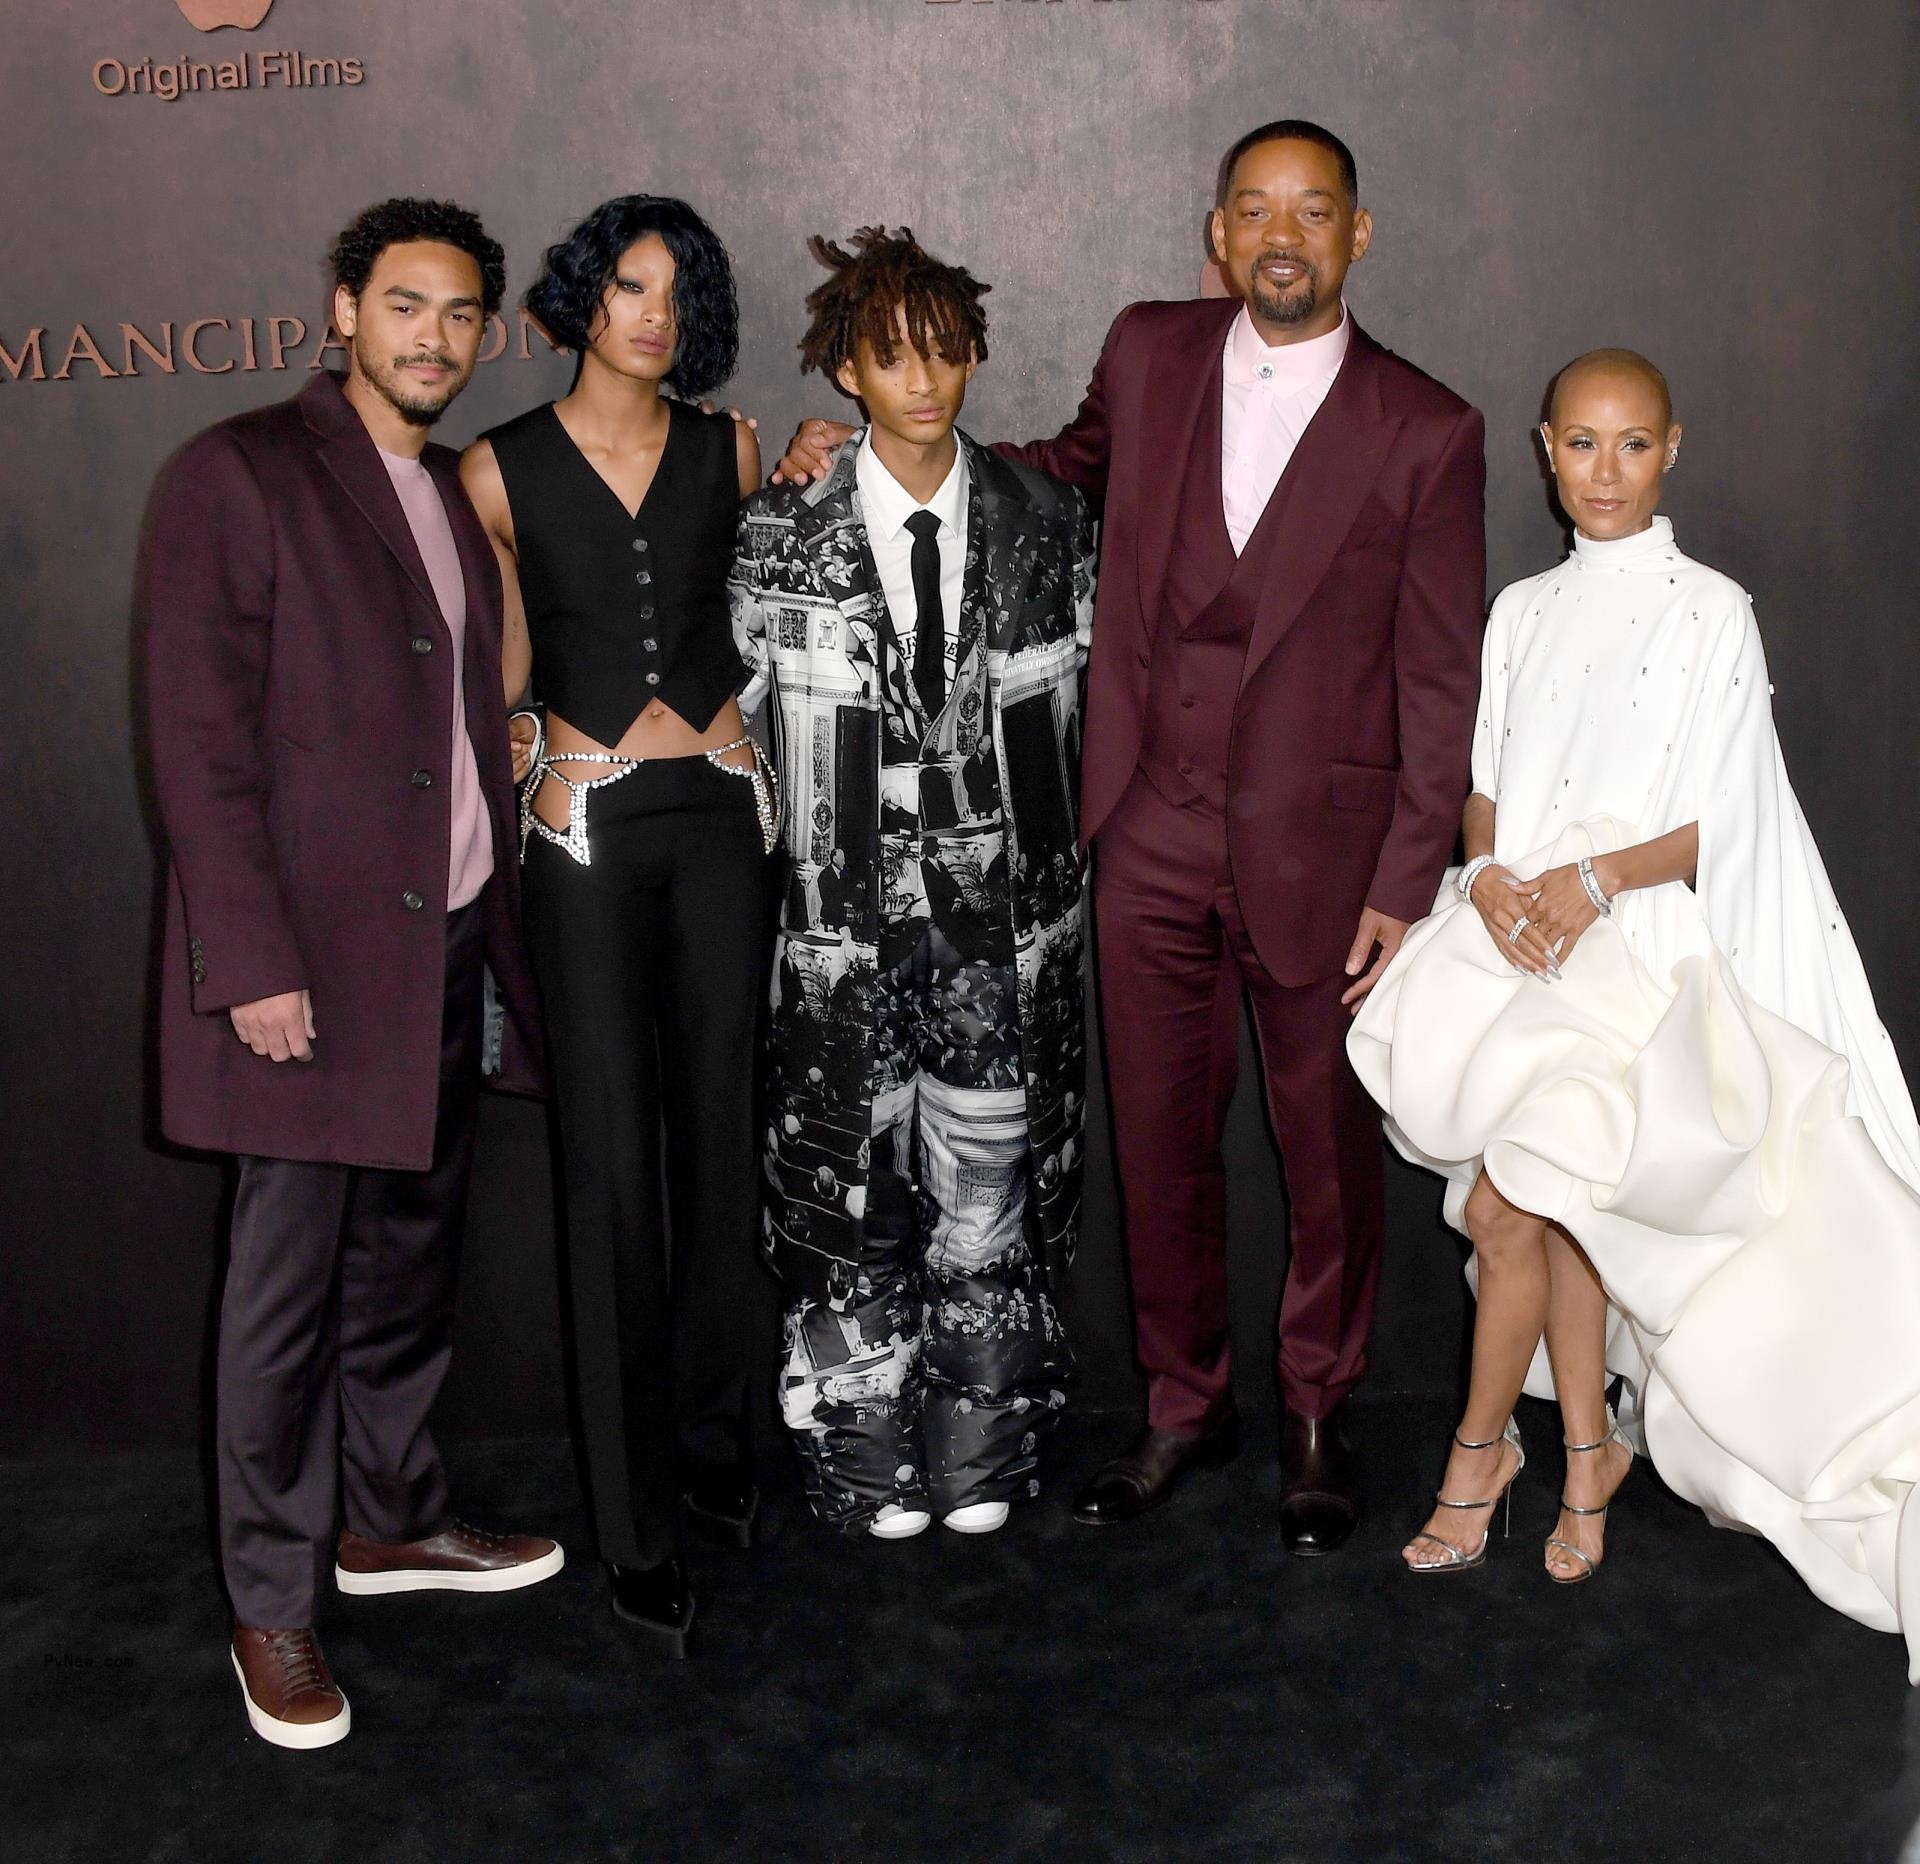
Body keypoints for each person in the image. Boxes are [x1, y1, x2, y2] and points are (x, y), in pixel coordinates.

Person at [777, 119, 1486, 1551]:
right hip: (1147, 822)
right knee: (1156, 1137)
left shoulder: (1428, 428)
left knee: (1324, 1151)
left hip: (1329, 856)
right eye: (1253, 209)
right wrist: (875, 455)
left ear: (1360, 234)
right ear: (1216, 233)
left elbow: (1438, 676)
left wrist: (1410, 878)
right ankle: (1183, 1404)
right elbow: (1048, 475)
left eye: (1313, 209)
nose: (1281, 234)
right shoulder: (1153, 351)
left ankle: (1314, 1412)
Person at [1349, 350, 1920, 1674]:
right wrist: (1490, 877)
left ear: (1674, 451)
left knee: (1516, 1210)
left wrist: (1599, 880)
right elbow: (1487, 784)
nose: (1606, 474)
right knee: (1546, 1212)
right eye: (1583, 446)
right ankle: (1588, 1458)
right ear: (1548, 450)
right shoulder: (1519, 610)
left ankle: (1481, 1461)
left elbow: (1730, 815)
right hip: (1522, 946)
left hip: (1644, 955)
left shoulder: (1714, 610)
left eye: (1634, 447)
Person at [144, 198, 560, 1751]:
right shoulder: (237, 472)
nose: (433, 337)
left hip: (443, 944)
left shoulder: (450, 496)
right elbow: (197, 746)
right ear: (343, 310)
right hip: (306, 974)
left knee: (407, 1269)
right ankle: (269, 1605)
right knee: (283, 1304)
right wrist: (249, 960)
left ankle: (385, 1525)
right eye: (406, 306)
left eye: (460, 314)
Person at [735, 226, 1092, 1539]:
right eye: (890, 356)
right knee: (850, 1187)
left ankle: (982, 1447)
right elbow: (740, 732)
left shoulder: (1049, 522)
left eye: (944, 350)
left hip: (1004, 939)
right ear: (846, 371)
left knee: (989, 1191)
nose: (924, 380)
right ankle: (860, 1447)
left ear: (976, 353)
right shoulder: (780, 529)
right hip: (842, 937)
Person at [460, 197, 771, 1658]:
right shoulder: (497, 469)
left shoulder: (736, 446)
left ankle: (717, 1449)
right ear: (583, 296)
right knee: (609, 1176)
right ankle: (634, 1526)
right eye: (628, 285)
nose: (651, 312)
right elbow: (500, 662)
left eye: (676, 293)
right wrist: (519, 744)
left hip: (720, 824)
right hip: (581, 835)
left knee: (720, 1146)